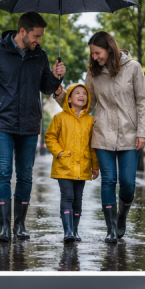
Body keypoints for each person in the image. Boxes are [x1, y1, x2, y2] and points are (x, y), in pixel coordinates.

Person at [0, 12, 66, 242]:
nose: (39, 41)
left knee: (25, 176)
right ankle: (4, 227)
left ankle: (19, 225)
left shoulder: (40, 55)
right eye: (36, 35)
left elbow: (45, 87)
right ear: (22, 32)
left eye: (41, 36)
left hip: (30, 124)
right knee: (3, 174)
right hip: (2, 123)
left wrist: (55, 78)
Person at [55, 31, 145, 242]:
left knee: (127, 183)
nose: (95, 57)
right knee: (108, 181)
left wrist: (143, 132)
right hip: (102, 134)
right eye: (92, 54)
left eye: (97, 53)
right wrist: (60, 93)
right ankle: (111, 229)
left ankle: (122, 216)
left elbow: (143, 101)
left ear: (109, 48)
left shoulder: (133, 68)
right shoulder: (93, 74)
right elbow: (83, 104)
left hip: (129, 134)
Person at [45, 84, 98, 242]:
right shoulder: (60, 118)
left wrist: (95, 166)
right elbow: (50, 136)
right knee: (67, 196)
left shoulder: (90, 120)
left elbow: (92, 144)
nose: (82, 95)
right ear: (68, 99)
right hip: (64, 166)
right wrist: (59, 152)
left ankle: (75, 230)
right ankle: (67, 231)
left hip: (82, 166)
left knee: (78, 198)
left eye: (84, 94)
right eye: (77, 93)